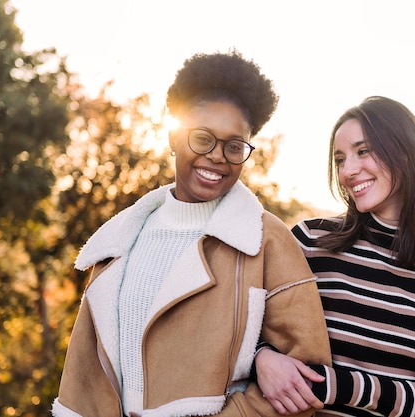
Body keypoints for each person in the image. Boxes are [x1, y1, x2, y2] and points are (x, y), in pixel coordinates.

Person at [51, 50, 331, 417]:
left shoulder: (266, 240)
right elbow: (84, 377)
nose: (217, 156)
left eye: (234, 146)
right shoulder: (118, 241)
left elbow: (305, 375)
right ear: (173, 138)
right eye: (202, 138)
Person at [254, 96, 415, 417]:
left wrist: (339, 387)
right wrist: (261, 359)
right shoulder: (308, 243)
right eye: (339, 158)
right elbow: (239, 327)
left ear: (405, 152)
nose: (347, 170)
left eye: (363, 151)